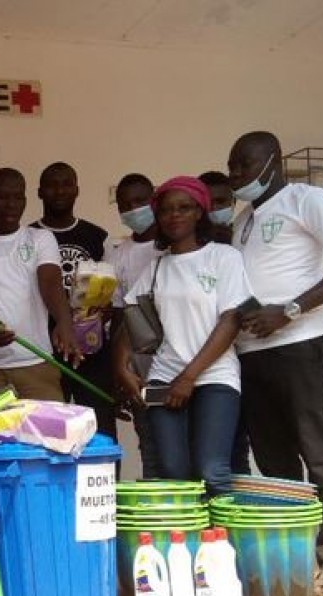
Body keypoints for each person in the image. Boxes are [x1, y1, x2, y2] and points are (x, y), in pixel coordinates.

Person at [227, 130, 323, 596]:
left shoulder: (306, 198)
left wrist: (290, 309)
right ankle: (294, 555)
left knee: (317, 450)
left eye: (245, 165)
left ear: (274, 162)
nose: (237, 176)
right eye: (233, 168)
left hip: (300, 344)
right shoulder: (244, 220)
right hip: (254, 354)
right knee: (274, 461)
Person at [114, 177, 252, 497]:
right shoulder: (157, 267)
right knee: (173, 471)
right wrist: (122, 367)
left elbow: (232, 320)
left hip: (214, 375)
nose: (174, 215)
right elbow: (130, 318)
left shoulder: (223, 257)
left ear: (199, 213)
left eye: (184, 208)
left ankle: (222, 544)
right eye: (166, 210)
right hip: (165, 376)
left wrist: (189, 377)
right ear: (158, 217)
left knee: (211, 469)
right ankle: (188, 543)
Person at [0, 168, 78, 403]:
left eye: (17, 197)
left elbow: (50, 280)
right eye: (3, 197)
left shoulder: (40, 238)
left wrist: (64, 321)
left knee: (46, 437)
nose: (11, 204)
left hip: (36, 360)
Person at [31, 162, 117, 439]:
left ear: (77, 189)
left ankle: (103, 482)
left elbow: (112, 292)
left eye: (66, 183)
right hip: (44, 348)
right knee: (47, 428)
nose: (59, 191)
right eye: (52, 185)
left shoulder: (96, 236)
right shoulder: (29, 236)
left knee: (98, 426)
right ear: (39, 192)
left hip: (90, 349)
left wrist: (103, 311)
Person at [106, 173, 162, 478]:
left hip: (179, 355)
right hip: (138, 362)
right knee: (150, 443)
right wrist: (119, 366)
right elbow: (117, 314)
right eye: (125, 205)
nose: (133, 209)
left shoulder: (171, 245)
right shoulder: (118, 254)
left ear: (154, 199)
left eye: (141, 201)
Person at [199, 169, 251, 475]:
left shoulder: (245, 237)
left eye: (222, 201)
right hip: (206, 363)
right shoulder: (188, 248)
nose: (215, 209)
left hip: (249, 354)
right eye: (209, 203)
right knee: (211, 452)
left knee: (239, 444)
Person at [199, 170, 236, 245]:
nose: (214, 207)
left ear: (233, 201)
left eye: (220, 201)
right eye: (207, 202)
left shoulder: (244, 234)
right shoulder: (186, 241)